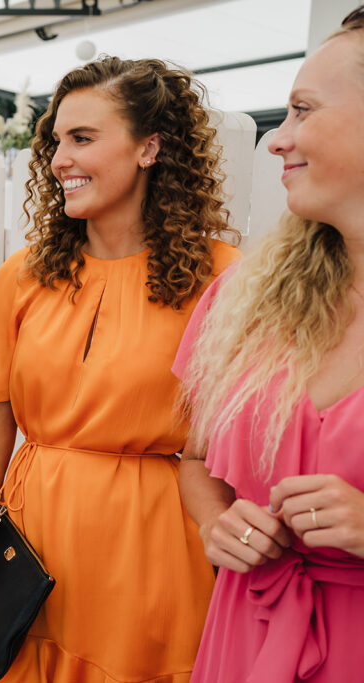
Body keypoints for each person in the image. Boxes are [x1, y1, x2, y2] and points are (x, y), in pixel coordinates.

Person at [0, 56, 241, 682]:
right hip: (28, 554)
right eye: (57, 141)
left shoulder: (222, 278)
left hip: (151, 556)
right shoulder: (20, 277)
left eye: (83, 138)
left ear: (149, 148)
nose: (60, 160)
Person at [177, 9, 364, 681]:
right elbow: (195, 458)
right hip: (245, 634)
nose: (277, 141)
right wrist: (216, 523)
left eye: (302, 111)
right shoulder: (241, 300)